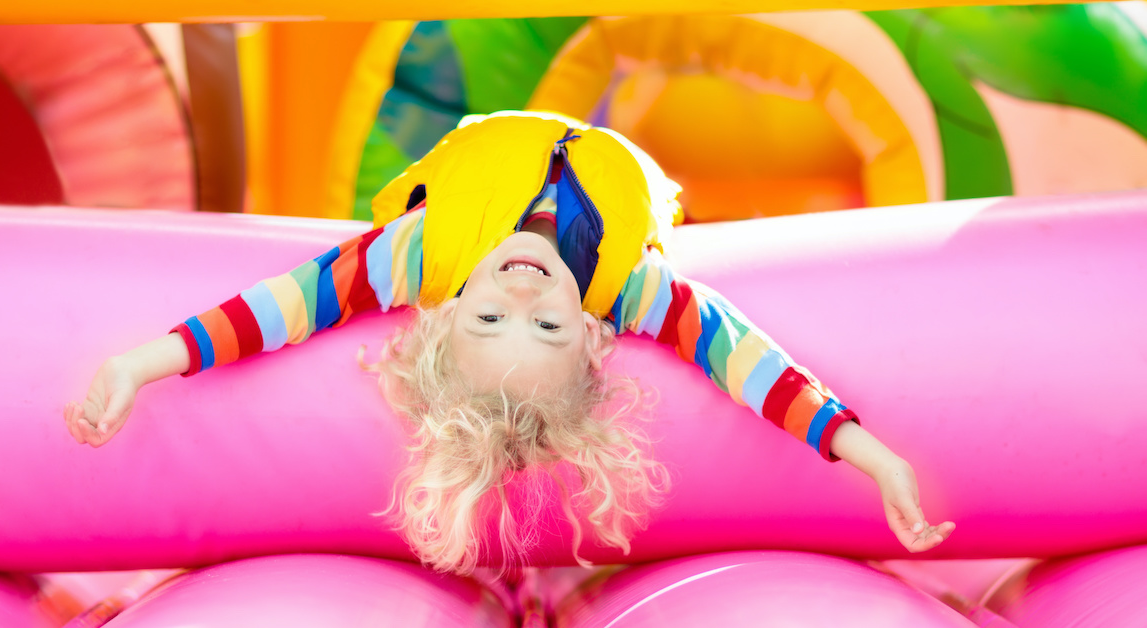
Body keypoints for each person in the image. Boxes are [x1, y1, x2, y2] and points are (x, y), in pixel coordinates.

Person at [65, 111, 954, 574]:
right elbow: (742, 358)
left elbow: (276, 308)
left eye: (490, 318)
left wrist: (143, 362)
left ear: (446, 316)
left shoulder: (414, 260)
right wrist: (868, 453)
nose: (520, 293)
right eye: (548, 325)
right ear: (596, 336)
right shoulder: (628, 287)